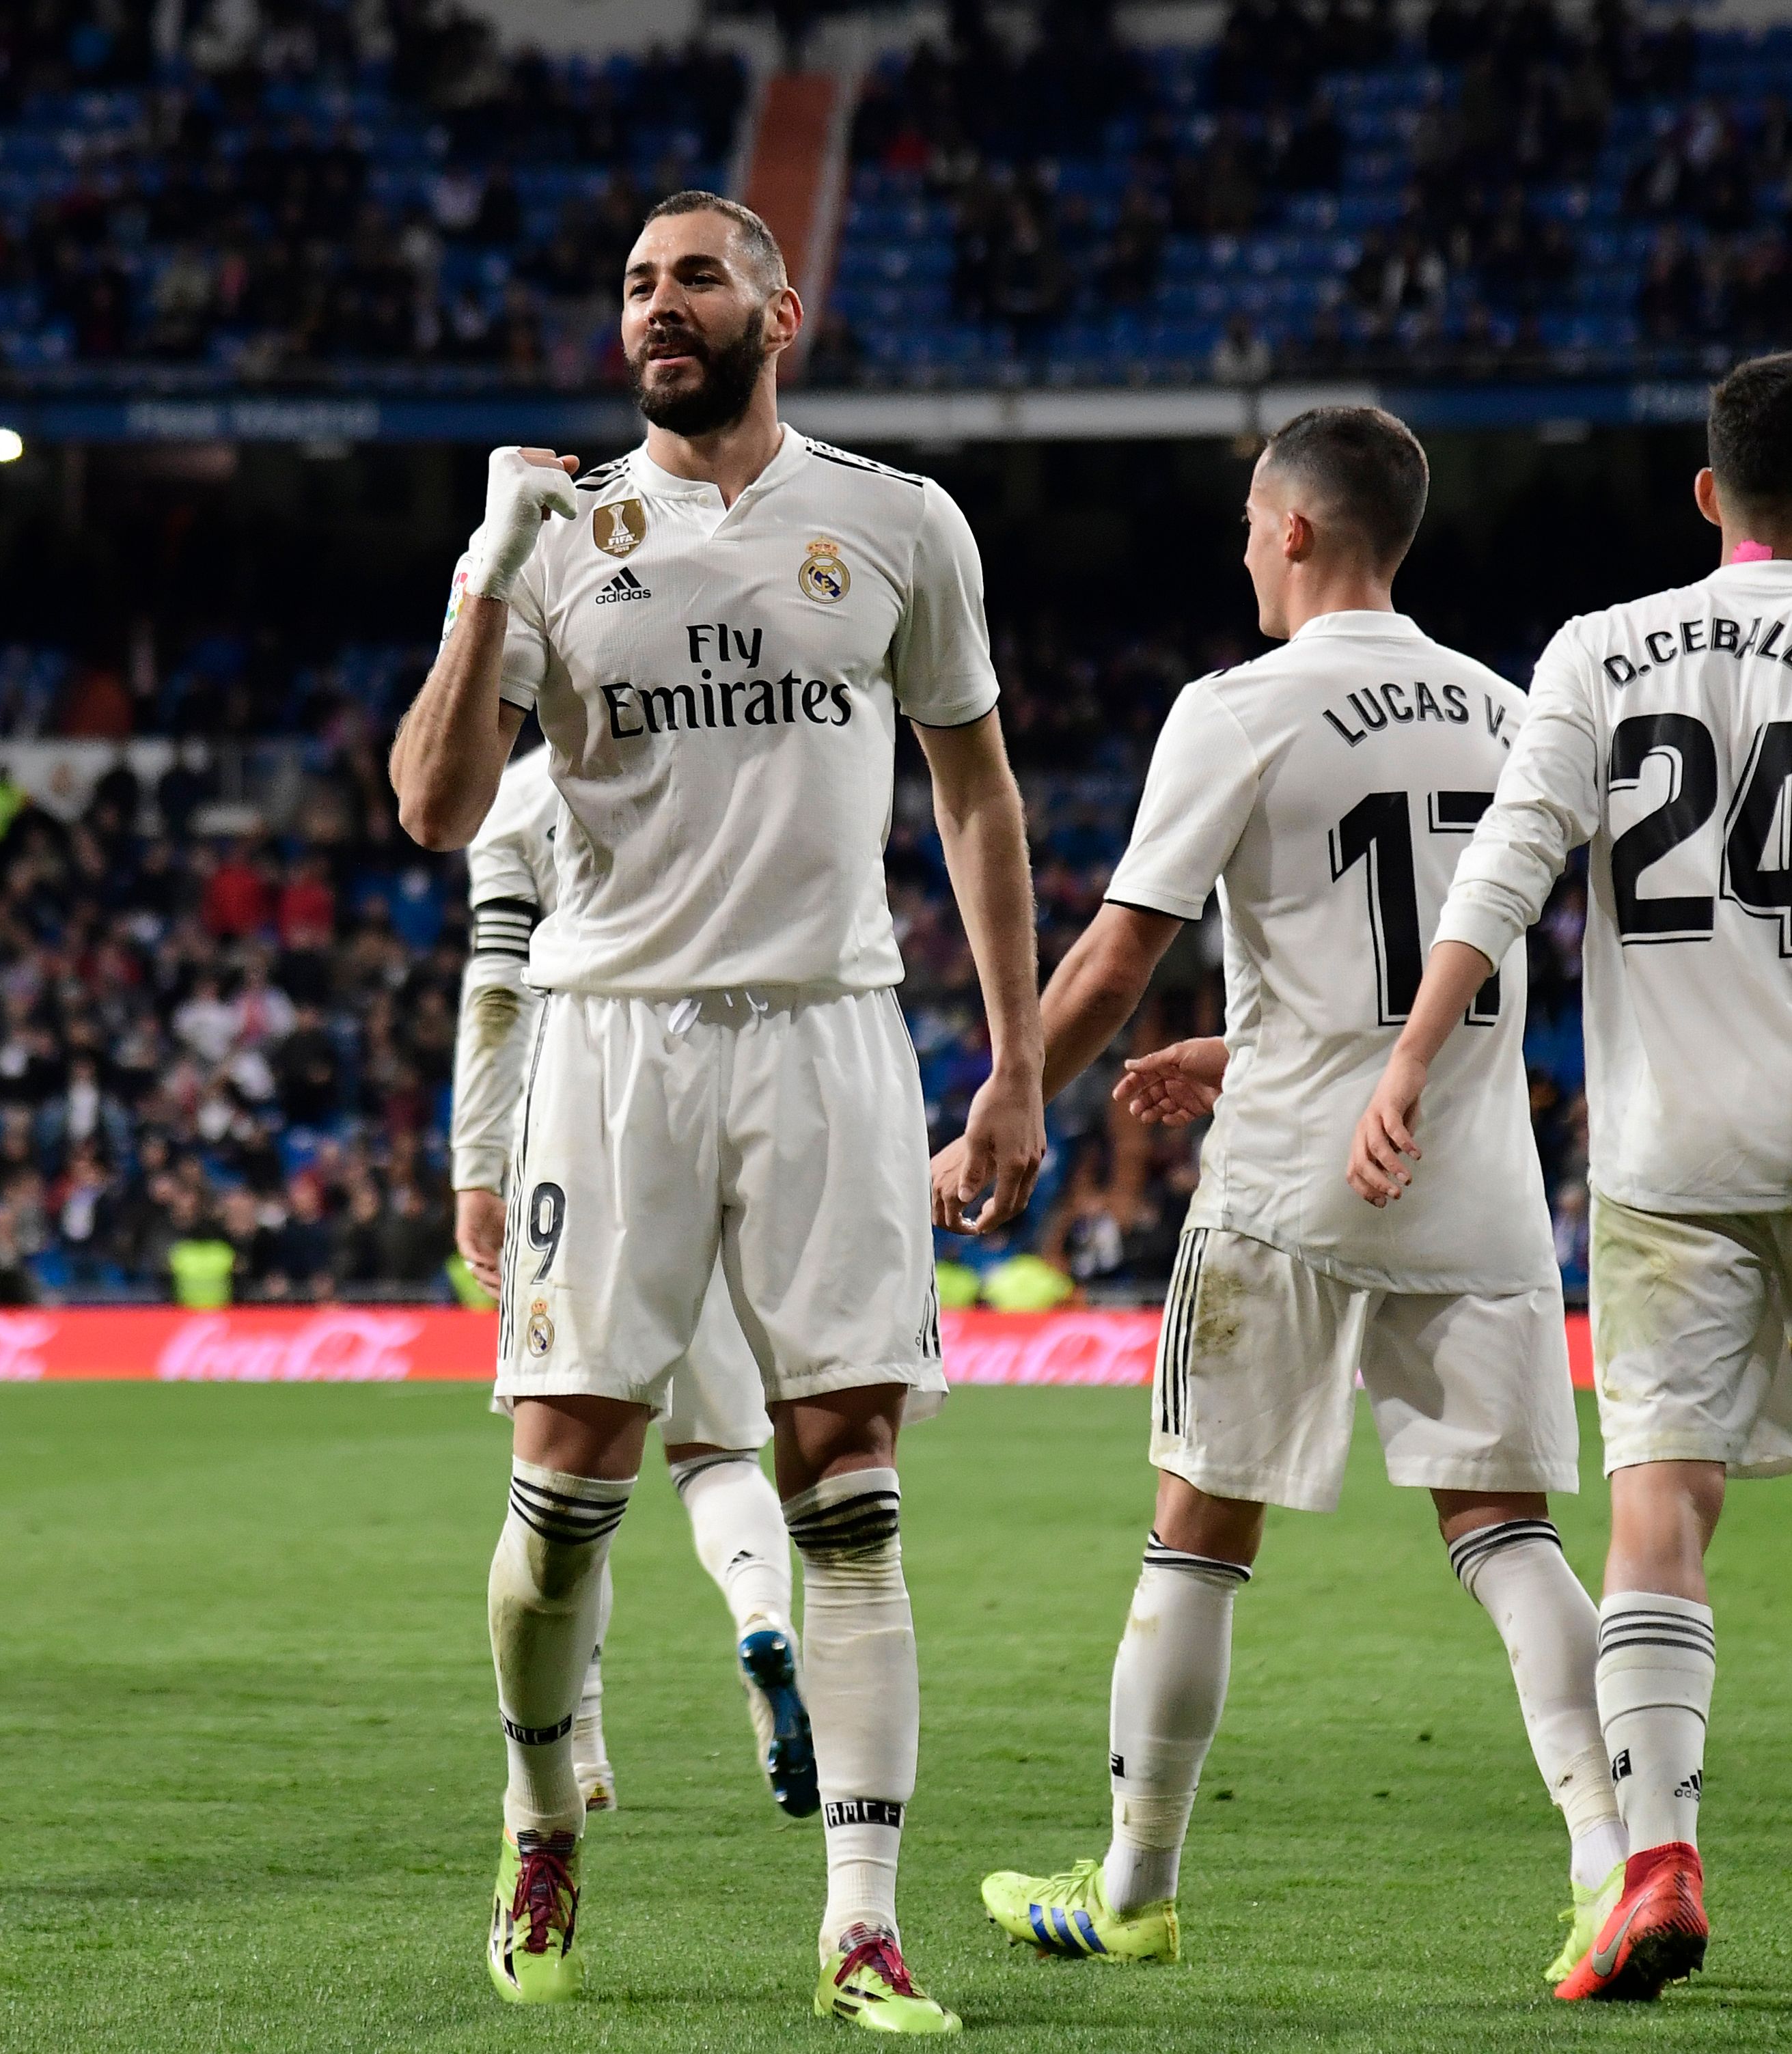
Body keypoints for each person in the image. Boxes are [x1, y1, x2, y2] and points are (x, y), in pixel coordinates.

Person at [389, 190, 1042, 2029]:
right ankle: (536, 1816)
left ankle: (857, 1915)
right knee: (573, 1470)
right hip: (610, 1045)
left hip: (831, 1033)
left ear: (781, 307)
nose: (653, 310)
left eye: (690, 278)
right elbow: (435, 805)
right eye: (631, 286)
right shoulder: (562, 527)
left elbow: (977, 798)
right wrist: (480, 569)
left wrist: (1011, 1058)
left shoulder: (897, 523)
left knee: (848, 1470)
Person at [1349, 352, 1792, 1997]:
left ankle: (1655, 1866)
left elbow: (1507, 864)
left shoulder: (1594, 645)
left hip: (1663, 1152)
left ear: (1705, 494)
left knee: (1659, 1499)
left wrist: (1410, 1052)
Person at [969, 406, 1622, 1984]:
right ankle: (1617, 1866)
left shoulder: (1238, 705)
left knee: (1196, 1527)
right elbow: (1445, 945)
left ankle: (1131, 1882)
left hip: (1285, 1188)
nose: (1240, 546)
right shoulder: (1506, 702)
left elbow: (1115, 953)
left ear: (1297, 530)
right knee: (1509, 1528)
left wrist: (1007, 1095)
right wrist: (1250, 1027)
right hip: (1469, 1178)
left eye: (1250, 521)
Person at [449, 739, 818, 1820]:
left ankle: (584, 1747)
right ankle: (762, 1619)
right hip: (736, 1106)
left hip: (584, 1118)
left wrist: (479, 1163)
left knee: (569, 1477)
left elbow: (497, 988)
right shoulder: (713, 743)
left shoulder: (514, 798)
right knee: (716, 1451)